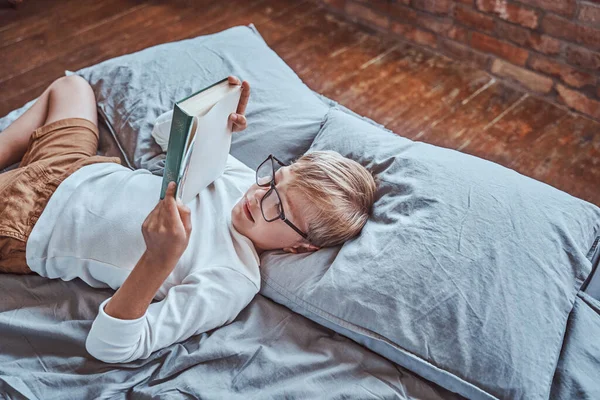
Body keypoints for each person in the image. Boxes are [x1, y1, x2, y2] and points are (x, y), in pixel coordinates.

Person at [0, 75, 377, 363]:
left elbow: (111, 347)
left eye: (278, 208)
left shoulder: (232, 279)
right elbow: (165, 132)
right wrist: (214, 124)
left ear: (299, 246)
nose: (258, 195)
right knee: (72, 86)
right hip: (79, 166)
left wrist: (157, 261)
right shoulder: (239, 177)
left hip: (30, 225)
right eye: (273, 178)